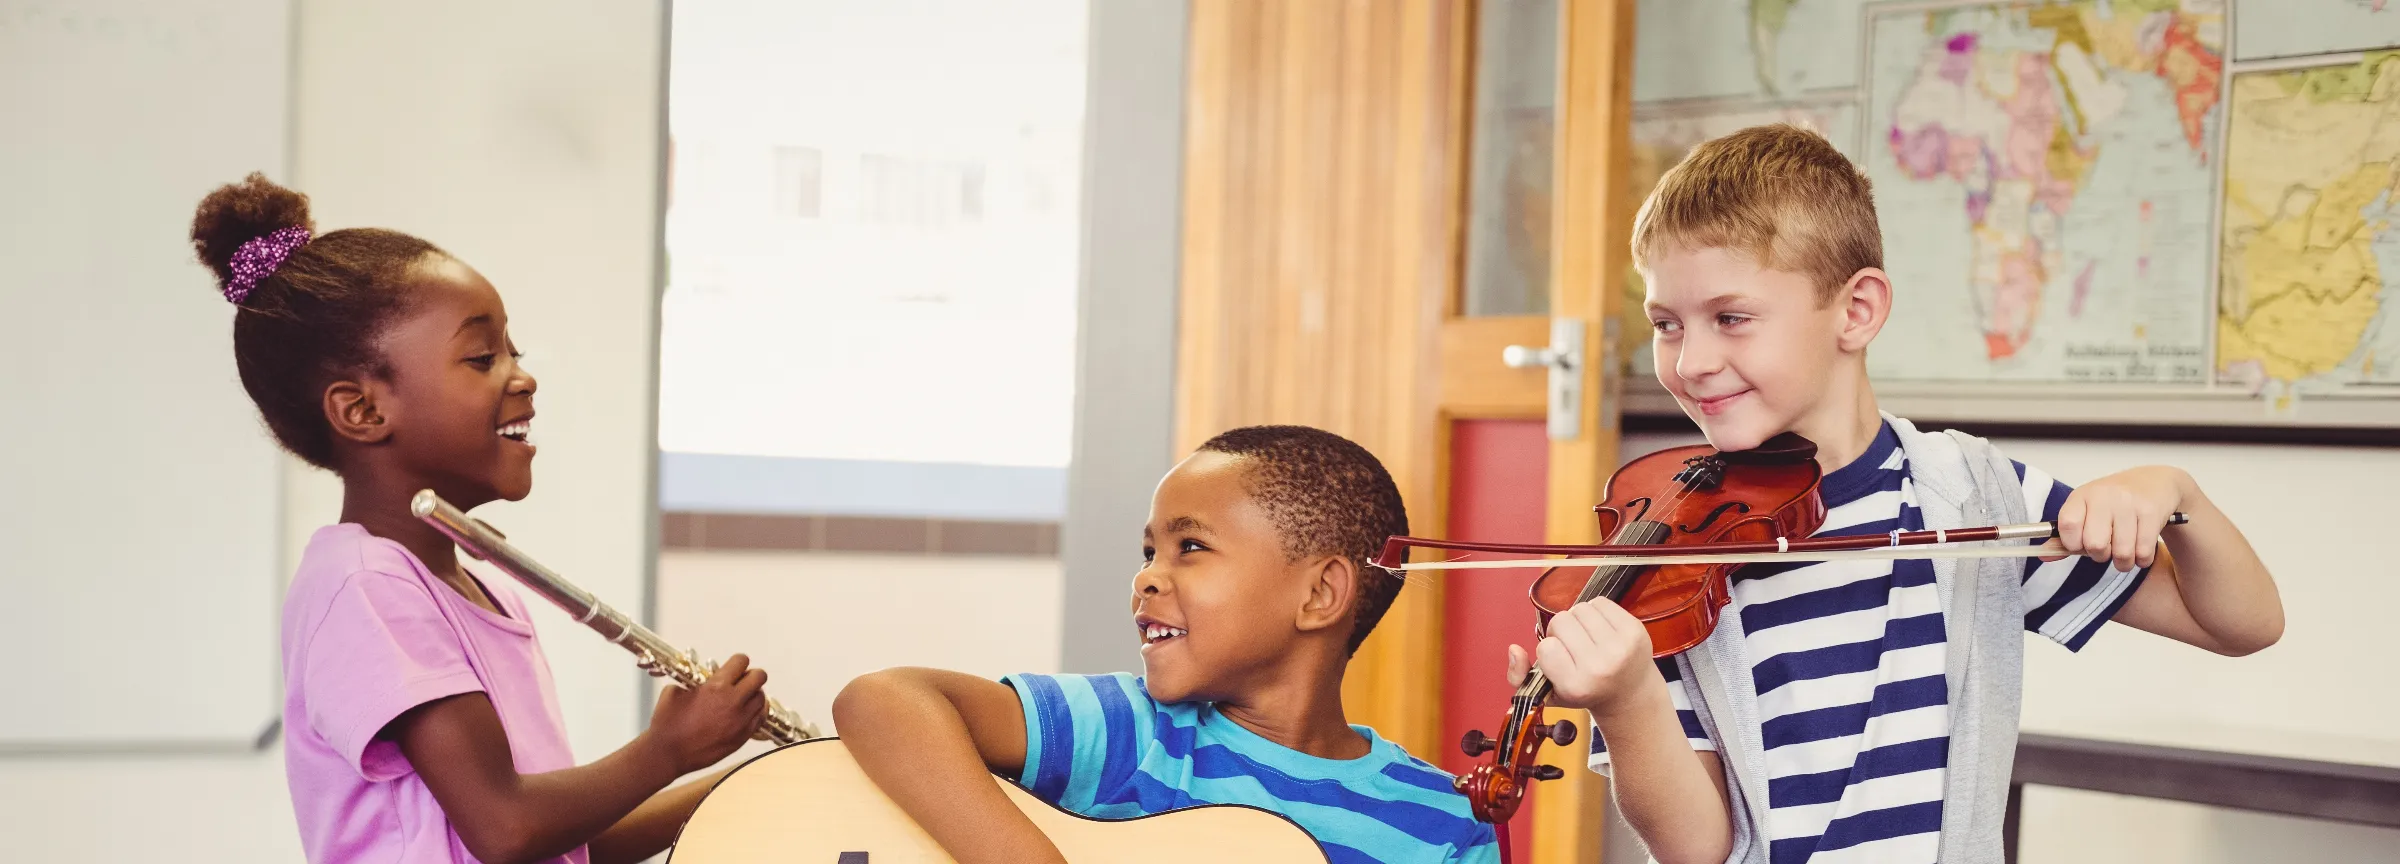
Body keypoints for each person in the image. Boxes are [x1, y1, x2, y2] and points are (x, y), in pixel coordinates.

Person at [1505, 125, 2284, 864]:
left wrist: (2180, 497)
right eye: (1667, 324)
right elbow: (1697, 847)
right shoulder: (1670, 562)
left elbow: (2245, 624)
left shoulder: (1971, 494)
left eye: (1731, 318)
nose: (1692, 360)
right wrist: (1628, 696)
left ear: (1856, 310)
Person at [193, 173, 770, 864]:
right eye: (481, 357)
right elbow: (506, 828)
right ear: (363, 411)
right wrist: (667, 750)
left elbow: (563, 846)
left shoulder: (477, 589)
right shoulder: (364, 586)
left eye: (514, 354)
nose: (520, 377)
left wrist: (753, 782)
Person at [834, 425, 1499, 863]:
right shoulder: (1135, 732)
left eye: (1191, 547)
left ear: (1320, 594)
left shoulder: (1440, 823)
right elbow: (883, 700)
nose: (1148, 576)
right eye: (1151, 550)